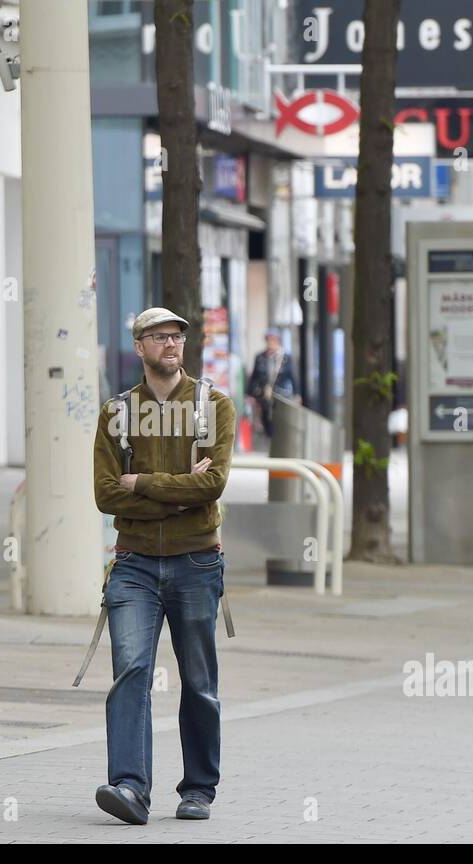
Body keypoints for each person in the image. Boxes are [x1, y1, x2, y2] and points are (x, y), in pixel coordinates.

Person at [91, 306, 236, 825]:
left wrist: (143, 482)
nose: (171, 344)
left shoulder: (214, 405)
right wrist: (178, 494)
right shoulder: (116, 414)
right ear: (139, 347)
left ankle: (198, 788)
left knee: (198, 678)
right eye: (159, 336)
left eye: (177, 336)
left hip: (197, 560)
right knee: (131, 668)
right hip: (133, 564)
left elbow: (212, 484)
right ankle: (130, 786)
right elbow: (106, 494)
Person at [246, 329, 295, 438]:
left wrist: (297, 394)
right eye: (268, 339)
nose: (270, 342)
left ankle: (279, 439)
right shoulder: (260, 357)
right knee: (266, 418)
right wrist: (249, 393)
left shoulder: (285, 357)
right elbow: (254, 376)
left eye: (273, 339)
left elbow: (292, 376)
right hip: (264, 395)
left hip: (281, 395)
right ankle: (270, 438)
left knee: (280, 419)